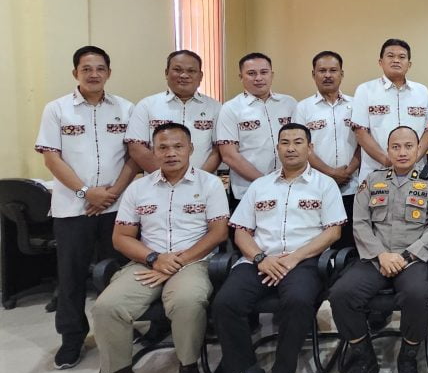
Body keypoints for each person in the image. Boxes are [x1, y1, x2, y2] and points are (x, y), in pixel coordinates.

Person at [88, 122, 229, 373]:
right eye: (163, 147)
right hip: (146, 262)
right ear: (153, 152)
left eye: (178, 146)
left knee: (187, 301)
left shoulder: (210, 184)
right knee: (107, 306)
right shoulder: (139, 188)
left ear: (191, 149)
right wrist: (155, 258)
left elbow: (218, 233)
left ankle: (188, 367)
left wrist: (177, 261)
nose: (171, 153)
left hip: (194, 262)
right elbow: (121, 237)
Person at [212, 124, 345, 373]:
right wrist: (261, 258)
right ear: (278, 148)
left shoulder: (325, 185)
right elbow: (241, 231)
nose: (291, 148)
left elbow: (333, 232)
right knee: (225, 303)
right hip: (259, 260)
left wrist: (295, 257)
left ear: (310, 148)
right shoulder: (260, 186)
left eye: (298, 142)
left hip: (304, 261)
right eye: (285, 142)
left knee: (297, 302)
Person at [35, 45, 138, 369]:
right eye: (86, 69)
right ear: (75, 73)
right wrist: (86, 193)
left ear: (108, 72)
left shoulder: (126, 108)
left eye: (100, 68)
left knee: (120, 274)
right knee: (71, 277)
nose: (94, 74)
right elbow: (52, 158)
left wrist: (112, 193)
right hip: (72, 209)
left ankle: (123, 329)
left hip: (117, 208)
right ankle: (72, 338)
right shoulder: (57, 109)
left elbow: (134, 156)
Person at [329, 126, 428, 373]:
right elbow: (360, 223)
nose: (402, 152)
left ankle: (408, 357)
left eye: (408, 146)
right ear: (388, 150)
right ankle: (364, 357)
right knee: (341, 294)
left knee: (417, 294)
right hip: (376, 258)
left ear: (418, 149)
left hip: (413, 259)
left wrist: (406, 257)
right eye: (396, 147)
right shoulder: (372, 180)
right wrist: (381, 254)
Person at [294, 50, 360, 246]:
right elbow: (300, 146)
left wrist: (348, 172)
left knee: (349, 244)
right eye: (322, 71)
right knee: (319, 242)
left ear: (342, 74)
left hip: (352, 186)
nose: (328, 75)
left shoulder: (356, 105)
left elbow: (363, 143)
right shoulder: (303, 108)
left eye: (333, 70)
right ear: (313, 74)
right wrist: (331, 173)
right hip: (315, 187)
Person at [215, 52, 297, 203]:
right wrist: (266, 182)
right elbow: (229, 155)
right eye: (251, 73)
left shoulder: (289, 103)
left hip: (290, 186)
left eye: (264, 72)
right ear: (241, 77)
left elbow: (300, 144)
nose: (258, 78)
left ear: (272, 75)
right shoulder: (231, 108)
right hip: (248, 190)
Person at [125, 50, 221, 174]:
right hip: (157, 182)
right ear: (166, 73)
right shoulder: (146, 105)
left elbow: (218, 150)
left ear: (200, 76)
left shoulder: (216, 107)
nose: (184, 75)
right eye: (177, 70)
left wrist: (198, 180)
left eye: (191, 71)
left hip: (203, 183)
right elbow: (136, 148)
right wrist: (167, 178)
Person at [351, 38, 428, 183]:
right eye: (390, 56)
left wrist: (413, 159)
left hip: (416, 171)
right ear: (380, 62)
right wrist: (386, 160)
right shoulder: (365, 90)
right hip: (377, 171)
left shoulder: (422, 91)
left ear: (409, 64)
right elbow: (360, 132)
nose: (396, 60)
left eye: (402, 57)